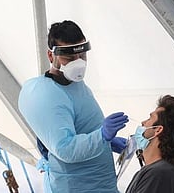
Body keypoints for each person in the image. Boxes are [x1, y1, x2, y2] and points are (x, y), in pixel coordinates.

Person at [18, 20, 128, 193]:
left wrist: (107, 142)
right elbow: (65, 148)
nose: (78, 64)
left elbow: (80, 127)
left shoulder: (76, 85)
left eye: (82, 56)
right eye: (69, 58)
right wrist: (101, 136)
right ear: (50, 56)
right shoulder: (47, 95)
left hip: (98, 184)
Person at [126, 95, 174, 193]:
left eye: (149, 118)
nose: (143, 122)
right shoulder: (153, 172)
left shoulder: (159, 174)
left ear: (158, 130)